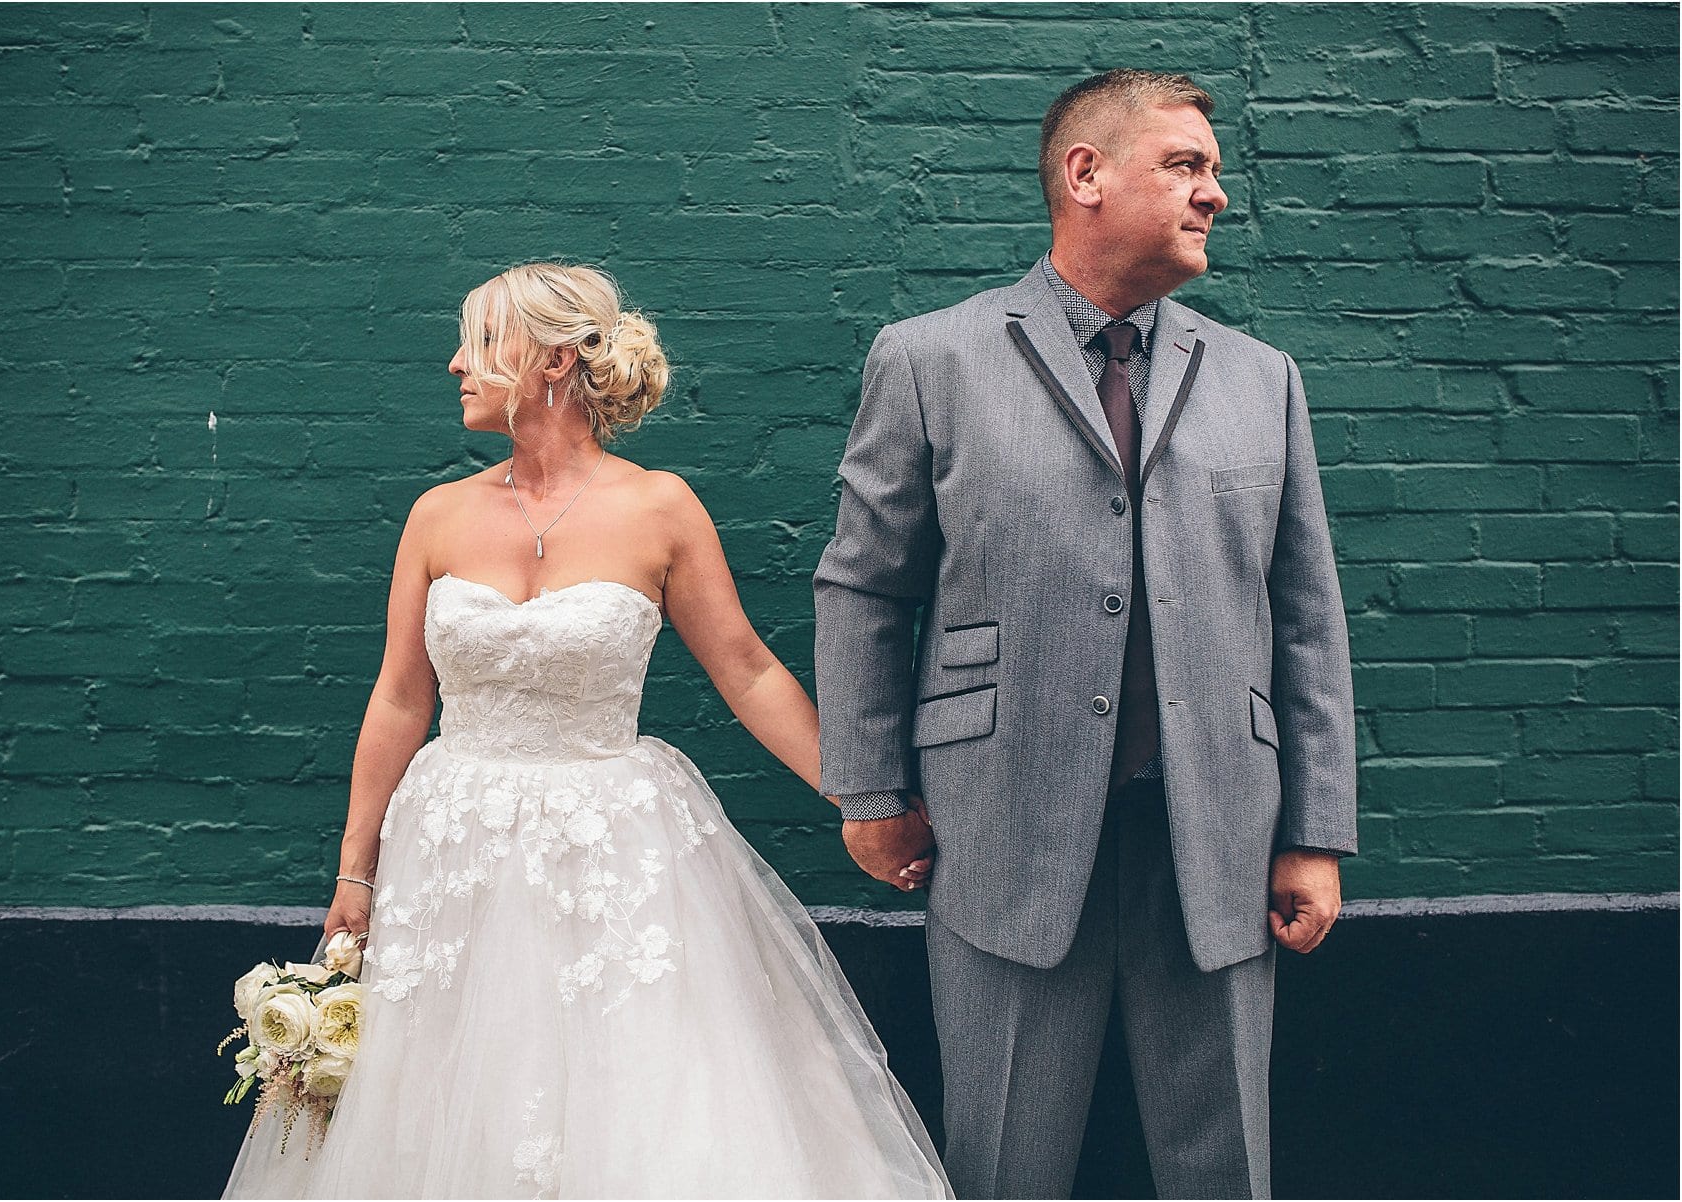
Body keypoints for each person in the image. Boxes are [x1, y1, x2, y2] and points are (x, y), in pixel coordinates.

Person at [223, 263, 950, 1200]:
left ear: (556, 359)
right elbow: (401, 699)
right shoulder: (436, 516)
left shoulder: (660, 508)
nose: (456, 365)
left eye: (481, 344)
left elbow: (750, 671)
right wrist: (354, 873)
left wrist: (865, 795)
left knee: (627, 1085)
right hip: (455, 844)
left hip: (615, 846)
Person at [814, 69, 1358, 1200]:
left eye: (1215, 170)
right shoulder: (931, 358)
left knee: (1228, 1162)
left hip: (1217, 832)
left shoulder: (1265, 380)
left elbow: (1305, 617)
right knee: (1004, 1156)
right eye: (1186, 165)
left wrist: (1314, 828)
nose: (1216, 193)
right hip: (996, 822)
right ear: (1086, 174)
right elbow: (866, 587)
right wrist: (868, 789)